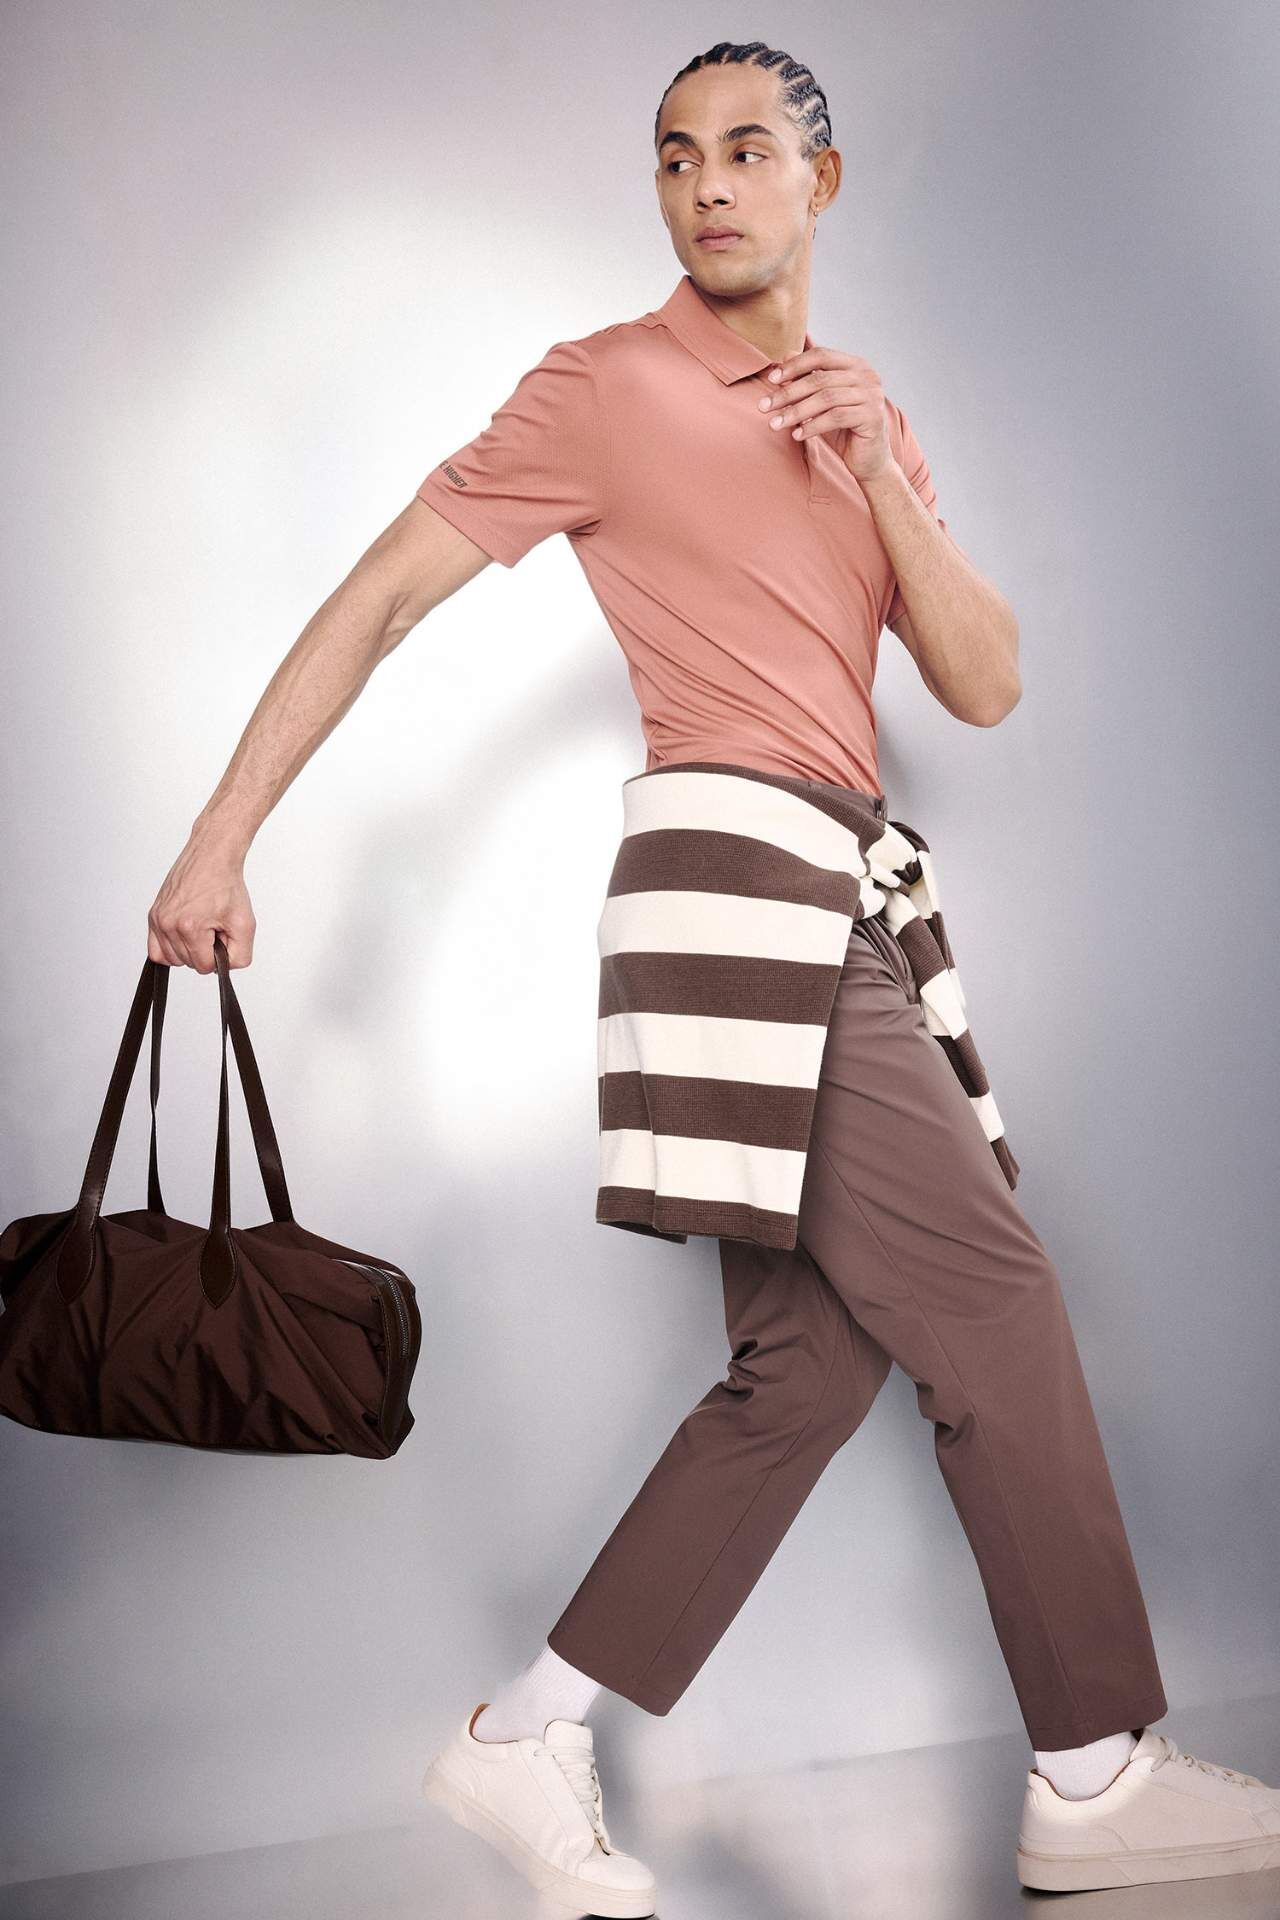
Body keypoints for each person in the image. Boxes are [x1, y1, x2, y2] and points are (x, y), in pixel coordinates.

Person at [149, 37, 1280, 1917]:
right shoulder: (605, 387)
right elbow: (381, 596)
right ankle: (1091, 1772)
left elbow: (985, 683)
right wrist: (220, 837)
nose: (708, 187)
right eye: (677, 157)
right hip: (731, 887)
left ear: (820, 180)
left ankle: (526, 1733)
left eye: (748, 151)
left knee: (806, 1368)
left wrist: (878, 470)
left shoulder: (863, 409)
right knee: (996, 1302)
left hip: (838, 887)